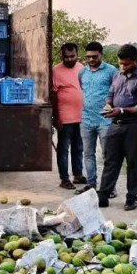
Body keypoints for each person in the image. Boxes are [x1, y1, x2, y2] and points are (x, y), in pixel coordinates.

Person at [97, 44, 137, 211]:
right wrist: (109, 105)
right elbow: (110, 94)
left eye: (126, 64)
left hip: (134, 126)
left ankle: (132, 198)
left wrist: (122, 110)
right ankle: (104, 195)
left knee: (133, 162)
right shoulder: (118, 75)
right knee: (110, 161)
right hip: (115, 125)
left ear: (136, 61)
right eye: (120, 63)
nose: (123, 67)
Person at [77, 42, 117, 195]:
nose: (91, 59)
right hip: (86, 119)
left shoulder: (111, 71)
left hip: (105, 120)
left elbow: (117, 91)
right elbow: (83, 89)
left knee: (108, 154)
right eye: (88, 57)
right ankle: (91, 184)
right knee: (88, 153)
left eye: (95, 56)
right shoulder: (82, 72)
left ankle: (110, 188)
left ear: (101, 54)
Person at [52, 43, 86, 190]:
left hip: (82, 117)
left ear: (77, 55)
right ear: (62, 56)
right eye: (66, 57)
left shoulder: (82, 68)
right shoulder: (55, 71)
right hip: (64, 118)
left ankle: (78, 174)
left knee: (79, 147)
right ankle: (64, 178)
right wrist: (56, 117)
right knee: (63, 149)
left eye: (72, 56)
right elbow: (53, 95)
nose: (70, 59)